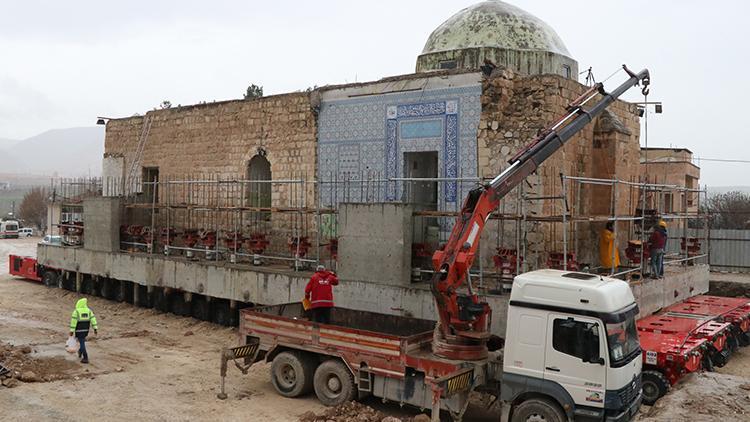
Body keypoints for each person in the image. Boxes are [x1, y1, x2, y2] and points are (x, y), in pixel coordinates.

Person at [69, 298, 98, 364]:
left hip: (79, 330)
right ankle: (80, 351)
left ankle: (85, 357)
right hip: (86, 330)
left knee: (82, 342)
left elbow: (73, 322)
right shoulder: (89, 311)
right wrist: (95, 329)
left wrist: (71, 331)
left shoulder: (76, 311)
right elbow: (93, 320)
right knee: (82, 340)